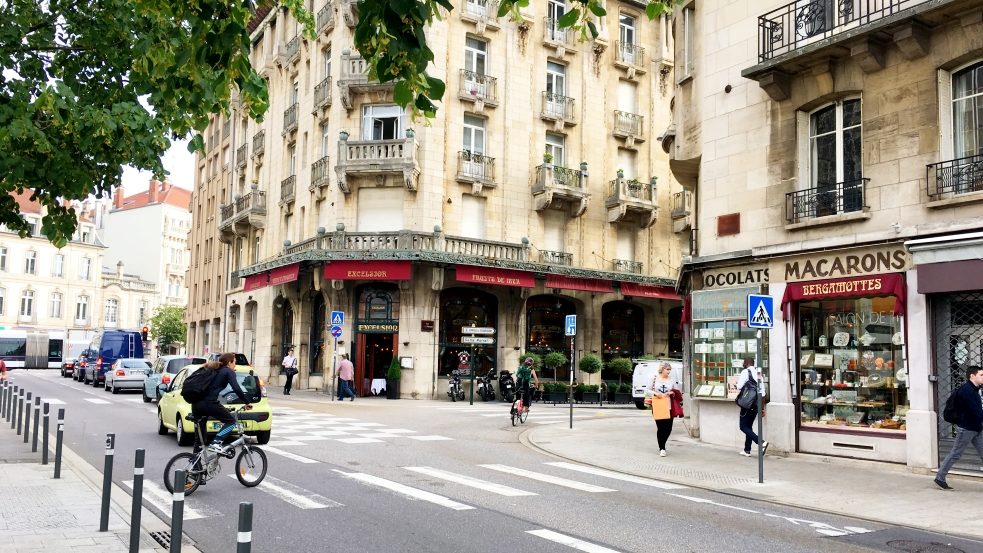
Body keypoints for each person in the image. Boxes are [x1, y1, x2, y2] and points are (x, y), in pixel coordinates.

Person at [190, 353, 252, 454]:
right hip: (209, 403)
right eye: (234, 362)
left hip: (196, 404)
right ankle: (216, 442)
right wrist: (247, 402)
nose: (235, 365)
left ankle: (195, 466)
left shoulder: (214, 370)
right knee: (231, 422)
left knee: (201, 439)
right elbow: (236, 388)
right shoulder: (227, 371)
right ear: (229, 363)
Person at [934, 365, 983, 490]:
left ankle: (940, 477)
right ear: (972, 376)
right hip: (966, 428)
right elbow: (976, 411)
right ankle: (940, 477)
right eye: (981, 375)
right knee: (956, 454)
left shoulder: (974, 389)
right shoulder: (967, 390)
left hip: (976, 427)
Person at [736, 357, 768, 457]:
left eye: (744, 362)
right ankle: (747, 450)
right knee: (748, 426)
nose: (743, 363)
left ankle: (761, 442)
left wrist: (737, 384)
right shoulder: (758, 373)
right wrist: (762, 408)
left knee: (743, 426)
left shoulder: (745, 372)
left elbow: (739, 387)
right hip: (756, 404)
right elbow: (763, 393)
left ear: (746, 363)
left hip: (747, 404)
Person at [649, 361, 679, 457]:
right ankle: (662, 448)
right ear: (662, 369)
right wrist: (655, 393)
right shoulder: (654, 378)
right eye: (667, 369)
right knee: (661, 428)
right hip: (658, 405)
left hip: (669, 406)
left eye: (670, 369)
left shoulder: (672, 380)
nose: (669, 371)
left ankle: (662, 444)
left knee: (668, 428)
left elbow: (677, 391)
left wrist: (671, 393)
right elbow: (648, 390)